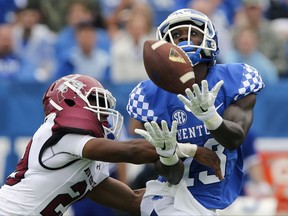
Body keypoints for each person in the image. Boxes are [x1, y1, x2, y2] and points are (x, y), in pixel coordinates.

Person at [0, 74, 221, 215]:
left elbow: (131, 201)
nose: (103, 115)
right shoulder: (57, 134)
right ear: (68, 101)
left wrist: (187, 198)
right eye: (96, 103)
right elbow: (132, 151)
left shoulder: (85, 158)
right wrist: (190, 149)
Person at [126, 8, 265, 215]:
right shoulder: (149, 95)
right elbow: (171, 175)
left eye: (192, 33)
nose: (183, 38)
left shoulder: (235, 78)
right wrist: (169, 154)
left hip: (225, 197)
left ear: (209, 39)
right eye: (176, 35)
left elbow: (235, 139)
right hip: (176, 199)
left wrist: (210, 117)